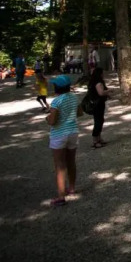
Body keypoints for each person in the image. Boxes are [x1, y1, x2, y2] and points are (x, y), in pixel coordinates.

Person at [46, 75, 83, 207]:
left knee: (60, 165)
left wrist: (47, 118)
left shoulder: (56, 101)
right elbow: (80, 113)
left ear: (57, 87)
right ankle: (71, 188)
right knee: (71, 162)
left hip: (59, 134)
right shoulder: (74, 97)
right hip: (73, 132)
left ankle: (61, 196)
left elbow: (52, 121)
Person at [88, 67, 109, 148]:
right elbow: (101, 93)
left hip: (96, 104)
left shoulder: (92, 82)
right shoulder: (98, 83)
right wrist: (109, 91)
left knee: (100, 120)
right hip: (98, 104)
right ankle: (95, 140)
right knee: (98, 121)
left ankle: (99, 138)